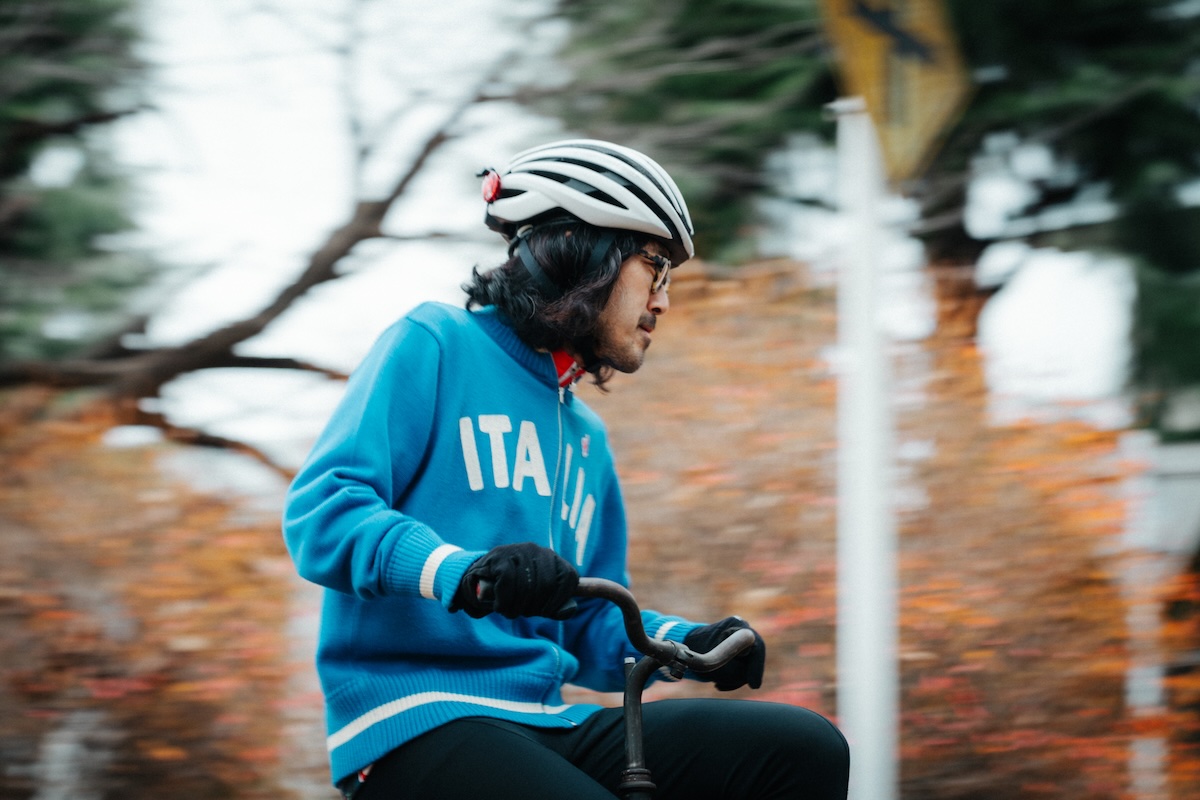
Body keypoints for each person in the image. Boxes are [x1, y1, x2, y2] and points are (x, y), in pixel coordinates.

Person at [282, 139, 849, 799]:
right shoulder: (435, 343)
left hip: (546, 719)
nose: (663, 302)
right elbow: (324, 513)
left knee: (801, 750)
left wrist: (687, 641)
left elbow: (590, 618)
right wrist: (467, 574)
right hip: (414, 720)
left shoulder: (584, 435)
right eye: (655, 267)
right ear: (586, 254)